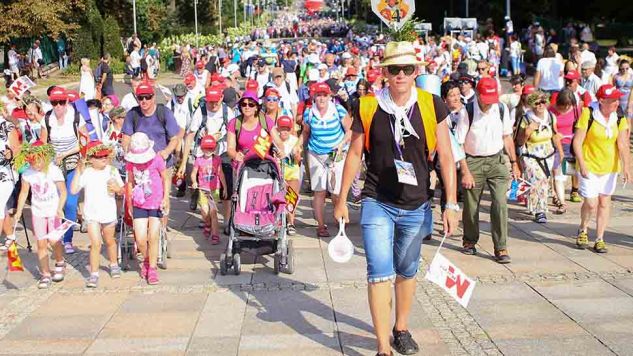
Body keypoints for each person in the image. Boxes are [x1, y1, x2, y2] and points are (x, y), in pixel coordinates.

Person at [334, 41, 458, 356]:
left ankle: (400, 328)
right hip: (377, 199)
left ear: (416, 71)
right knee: (378, 270)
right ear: (384, 72)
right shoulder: (368, 106)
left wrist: (452, 204)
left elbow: (445, 156)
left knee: (407, 269)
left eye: (406, 69)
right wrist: (340, 198)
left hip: (417, 203)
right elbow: (354, 154)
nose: (400, 75)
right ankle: (382, 347)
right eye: (393, 69)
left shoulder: (432, 105)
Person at [455, 77, 520, 262]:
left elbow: (507, 137)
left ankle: (501, 247)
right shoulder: (466, 111)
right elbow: (458, 143)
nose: (489, 103)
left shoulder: (501, 109)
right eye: (486, 99)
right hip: (473, 161)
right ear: (478, 94)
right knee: (471, 206)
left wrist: (514, 162)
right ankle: (469, 241)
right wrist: (465, 171)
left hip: (497, 161)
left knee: (500, 203)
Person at [573, 84, 630, 253]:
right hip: (589, 163)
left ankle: (599, 238)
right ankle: (583, 229)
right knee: (591, 203)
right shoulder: (588, 113)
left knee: (604, 203)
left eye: (617, 100)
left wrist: (626, 166)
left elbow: (623, 144)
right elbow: (577, 141)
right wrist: (581, 163)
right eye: (613, 101)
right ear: (602, 101)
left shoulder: (619, 117)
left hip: (609, 167)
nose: (616, 103)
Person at [121, 82, 184, 224]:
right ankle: (142, 230)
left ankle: (161, 231)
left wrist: (166, 152)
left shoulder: (164, 113)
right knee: (140, 197)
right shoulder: (133, 114)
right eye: (140, 98)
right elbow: (126, 137)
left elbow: (175, 137)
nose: (144, 101)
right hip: (140, 164)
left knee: (162, 197)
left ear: (153, 97)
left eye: (147, 97)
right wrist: (127, 152)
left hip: (161, 162)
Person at [13, 142, 67, 289]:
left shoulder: (54, 171)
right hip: (38, 211)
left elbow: (63, 192)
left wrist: (60, 208)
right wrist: (18, 211)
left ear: (45, 157)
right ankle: (45, 273)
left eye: (37, 161)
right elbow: (24, 192)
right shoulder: (27, 173)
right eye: (32, 161)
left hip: (53, 210)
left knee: (54, 240)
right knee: (41, 243)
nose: (35, 164)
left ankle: (60, 261)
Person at [70, 141, 124, 288]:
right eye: (100, 157)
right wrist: (78, 172)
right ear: (91, 159)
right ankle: (94, 273)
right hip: (91, 213)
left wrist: (118, 189)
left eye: (105, 156)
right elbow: (74, 190)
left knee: (110, 240)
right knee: (95, 243)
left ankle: (113, 264)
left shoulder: (112, 170)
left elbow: (122, 190)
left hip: (107, 211)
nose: (104, 159)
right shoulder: (87, 172)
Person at [301, 82, 351, 237]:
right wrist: (298, 148)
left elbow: (349, 131)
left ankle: (340, 219)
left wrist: (341, 144)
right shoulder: (309, 113)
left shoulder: (338, 110)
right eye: (318, 95)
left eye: (324, 95)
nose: (321, 98)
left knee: (336, 192)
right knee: (319, 191)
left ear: (330, 96)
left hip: (336, 155)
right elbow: (306, 133)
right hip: (316, 154)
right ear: (314, 97)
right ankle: (321, 225)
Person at [43, 87, 88, 254]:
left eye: (61, 102)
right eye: (55, 103)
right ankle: (54, 234)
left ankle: (67, 239)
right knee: (54, 201)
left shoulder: (76, 117)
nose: (58, 106)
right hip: (54, 163)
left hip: (73, 160)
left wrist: (67, 154)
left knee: (70, 202)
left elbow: (84, 141)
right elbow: (43, 143)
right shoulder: (47, 118)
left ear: (67, 102)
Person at [125, 132, 169, 285]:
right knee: (141, 237)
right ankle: (147, 258)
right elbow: (130, 182)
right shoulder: (131, 163)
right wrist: (129, 203)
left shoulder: (157, 159)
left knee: (154, 235)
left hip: (156, 202)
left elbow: (165, 177)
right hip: (139, 202)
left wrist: (166, 198)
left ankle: (152, 268)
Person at [515, 90, 563, 223]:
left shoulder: (551, 117)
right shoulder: (525, 119)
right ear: (532, 104)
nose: (540, 105)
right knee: (537, 181)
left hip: (547, 154)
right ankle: (540, 211)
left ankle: (534, 205)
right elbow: (519, 141)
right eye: (537, 103)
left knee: (544, 181)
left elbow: (555, 134)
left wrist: (560, 151)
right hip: (530, 154)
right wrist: (528, 131)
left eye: (543, 102)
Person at [191, 135, 226, 244]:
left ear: (214, 149)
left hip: (214, 189)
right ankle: (207, 223)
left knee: (213, 212)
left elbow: (220, 173)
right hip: (203, 189)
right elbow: (193, 173)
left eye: (211, 148)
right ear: (201, 148)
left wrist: (224, 187)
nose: (208, 151)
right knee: (205, 212)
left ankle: (215, 235)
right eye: (206, 148)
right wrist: (194, 182)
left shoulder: (217, 159)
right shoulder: (199, 160)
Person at [276, 115, 301, 235]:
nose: (284, 131)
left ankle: (291, 222)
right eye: (282, 128)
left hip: (292, 173)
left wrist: (297, 155)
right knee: (278, 198)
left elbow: (298, 160)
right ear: (278, 128)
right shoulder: (274, 140)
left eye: (287, 128)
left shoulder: (294, 141)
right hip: (278, 174)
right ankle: (279, 221)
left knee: (292, 198)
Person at [0, 110, 20, 252]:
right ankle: (10, 236)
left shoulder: (7, 126)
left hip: (6, 172)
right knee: (2, 208)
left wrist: (10, 153)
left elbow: (16, 148)